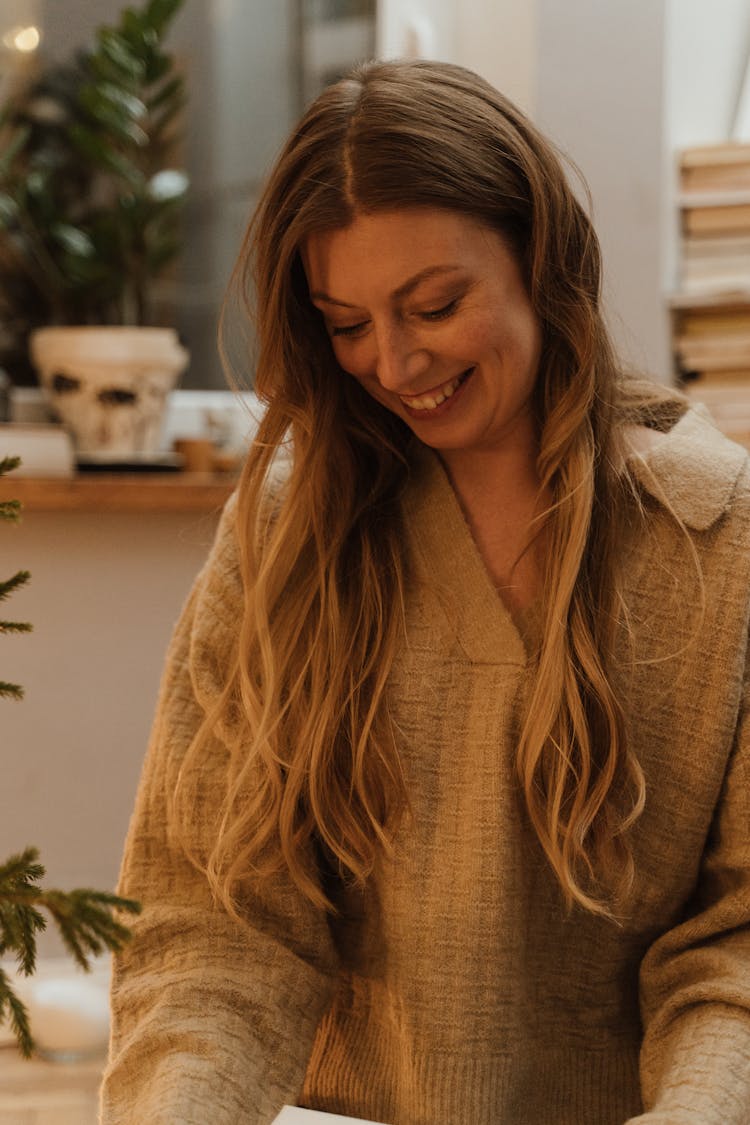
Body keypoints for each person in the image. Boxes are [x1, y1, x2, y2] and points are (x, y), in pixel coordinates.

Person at [100, 59, 750, 1125]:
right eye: (346, 324)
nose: (394, 364)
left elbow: (736, 941)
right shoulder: (282, 533)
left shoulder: (718, 540)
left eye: (434, 306)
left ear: (542, 264)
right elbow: (212, 925)